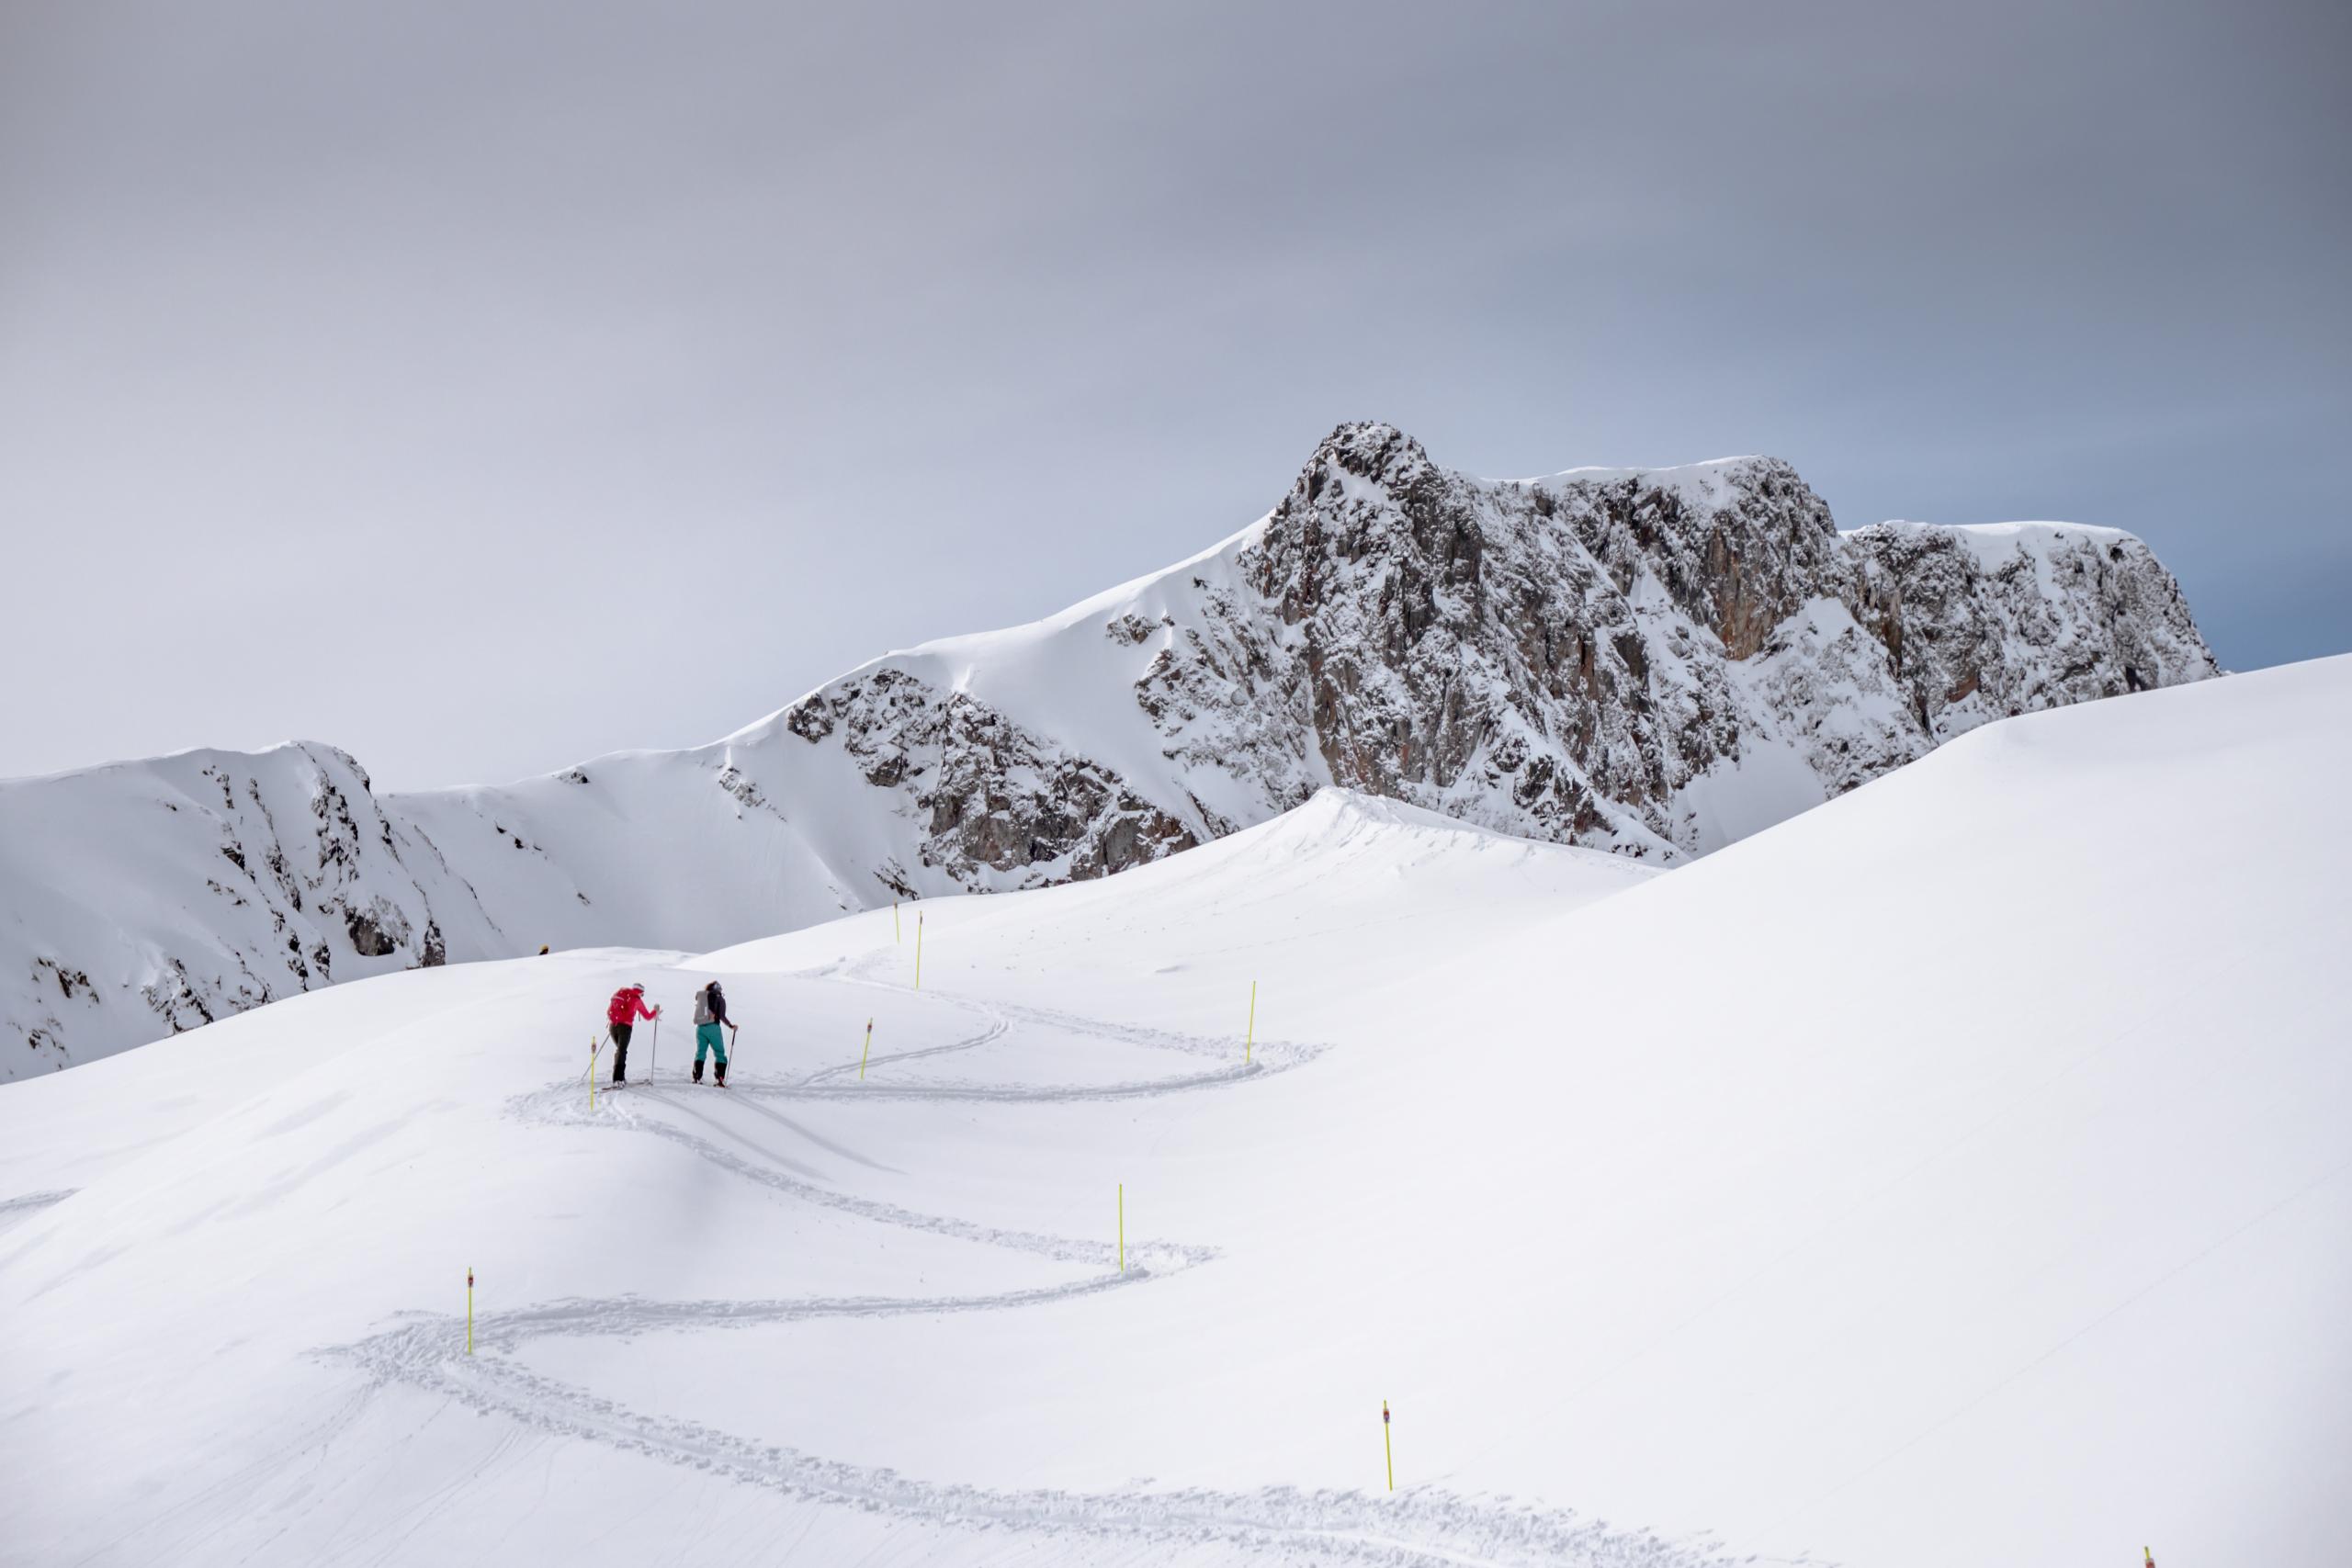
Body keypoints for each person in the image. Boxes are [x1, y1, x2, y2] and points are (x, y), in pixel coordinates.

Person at [604, 983, 658, 1085]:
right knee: (622, 1052)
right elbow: (647, 1016)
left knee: (620, 1051)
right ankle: (618, 1080)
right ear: (641, 992)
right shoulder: (636, 1000)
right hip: (625, 1028)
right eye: (643, 994)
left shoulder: (623, 994)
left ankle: (620, 1078)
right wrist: (655, 1011)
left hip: (612, 1026)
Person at [692, 979, 737, 1087]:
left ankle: (697, 1077)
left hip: (700, 1028)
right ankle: (719, 1079)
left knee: (700, 1052)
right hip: (713, 1028)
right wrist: (731, 1025)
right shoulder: (719, 998)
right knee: (719, 1053)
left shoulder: (702, 997)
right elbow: (721, 1016)